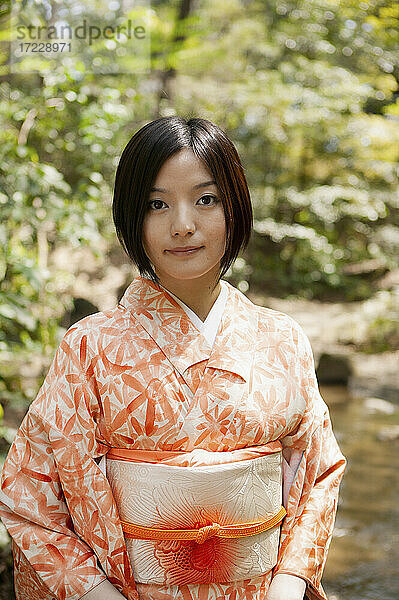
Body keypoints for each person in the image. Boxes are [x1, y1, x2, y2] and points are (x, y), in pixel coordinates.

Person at [0, 116, 346, 600]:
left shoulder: (281, 338)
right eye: (156, 204)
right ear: (131, 218)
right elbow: (29, 497)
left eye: (206, 199)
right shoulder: (89, 347)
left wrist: (288, 584)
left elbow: (318, 472)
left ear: (235, 206)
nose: (182, 225)